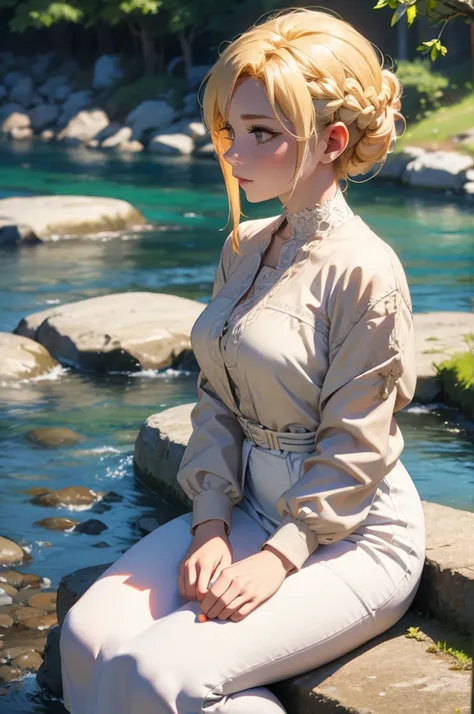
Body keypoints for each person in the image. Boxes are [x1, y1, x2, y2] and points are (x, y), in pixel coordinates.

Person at [59, 8, 426, 713]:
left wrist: (280, 556)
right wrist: (210, 522)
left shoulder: (367, 272)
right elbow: (217, 401)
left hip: (349, 529)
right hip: (248, 506)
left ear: (332, 141)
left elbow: (358, 443)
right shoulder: (245, 246)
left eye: (262, 134)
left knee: (160, 673)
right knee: (87, 635)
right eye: (233, 130)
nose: (234, 153)